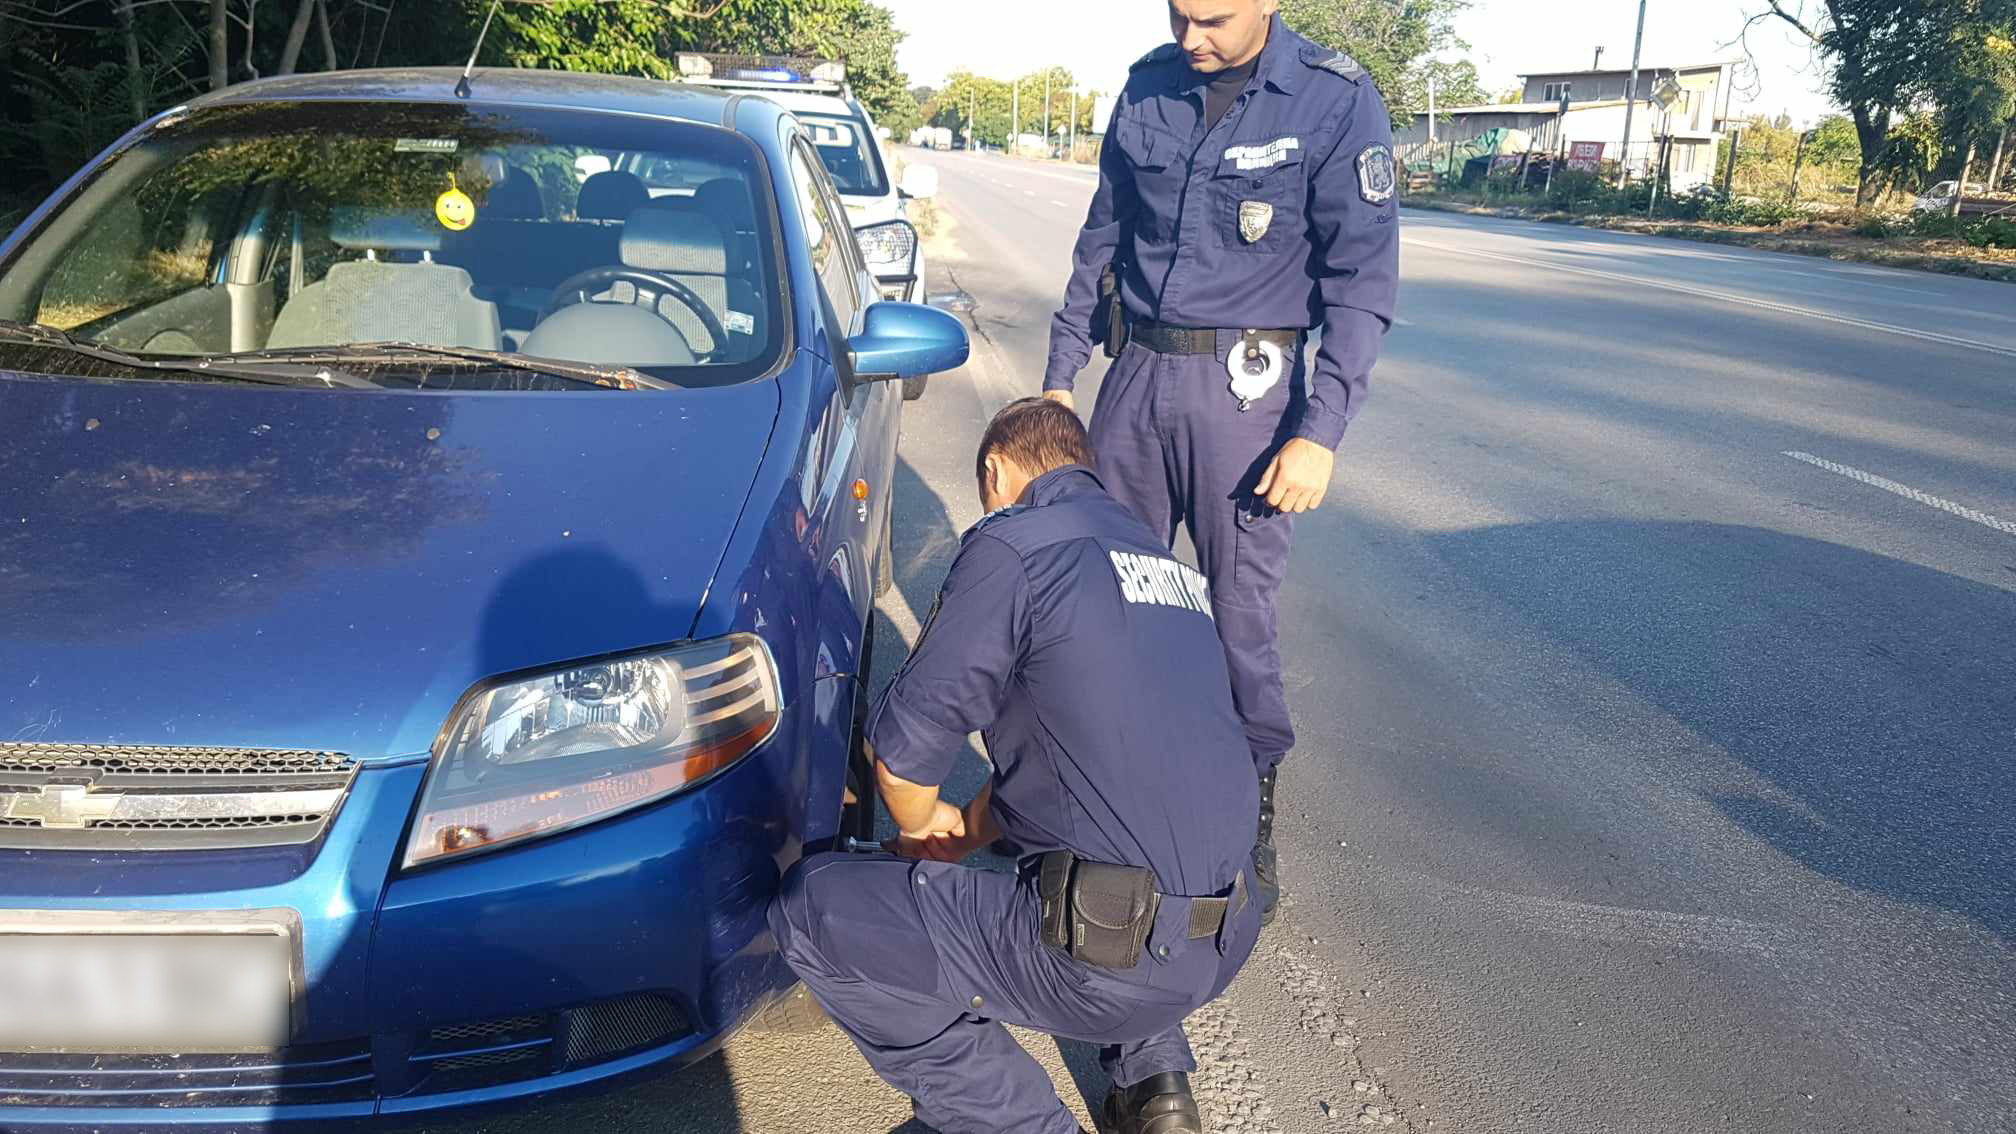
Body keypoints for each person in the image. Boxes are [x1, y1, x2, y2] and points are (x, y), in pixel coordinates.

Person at [768, 399, 1261, 1134]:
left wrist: (920, 832)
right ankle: (1156, 1086)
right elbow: (1083, 759)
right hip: (1225, 939)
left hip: (1114, 962)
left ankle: (1021, 1122)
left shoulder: (1012, 544)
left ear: (996, 471)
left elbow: (902, 764)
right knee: (1126, 841)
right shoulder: (1164, 565)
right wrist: (965, 832)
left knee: (815, 910)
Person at [1042, 0, 1401, 925]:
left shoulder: (1331, 100)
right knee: (1107, 596)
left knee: (1237, 612)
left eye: (1214, 19)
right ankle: (1102, 803)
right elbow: (1101, 240)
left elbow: (1361, 286)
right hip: (1136, 379)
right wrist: (1058, 380)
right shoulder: (1148, 84)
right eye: (1178, 14)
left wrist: (1320, 431)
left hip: (1247, 398)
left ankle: (1247, 809)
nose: (1192, 37)